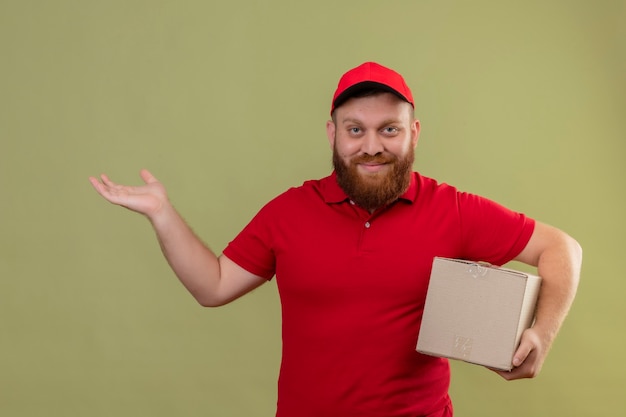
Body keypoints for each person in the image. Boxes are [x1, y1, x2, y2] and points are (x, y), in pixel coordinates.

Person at [89, 62, 582, 417]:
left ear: (413, 134)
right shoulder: (289, 211)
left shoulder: (450, 209)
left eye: (389, 129)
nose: (372, 145)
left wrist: (542, 333)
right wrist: (162, 213)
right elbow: (213, 286)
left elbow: (562, 249)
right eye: (355, 130)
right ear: (333, 135)